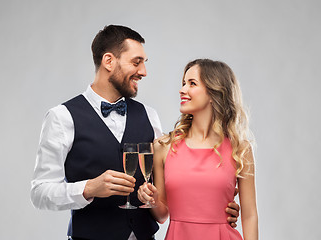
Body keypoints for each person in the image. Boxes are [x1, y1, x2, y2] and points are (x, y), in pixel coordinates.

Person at [30, 25, 240, 240]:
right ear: (109, 61)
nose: (143, 72)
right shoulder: (62, 117)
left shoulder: (149, 115)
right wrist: (89, 188)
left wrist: (217, 207)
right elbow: (39, 193)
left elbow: (170, 188)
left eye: (144, 63)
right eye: (136, 62)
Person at [138, 59, 258, 240]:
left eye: (192, 84)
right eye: (183, 83)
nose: (182, 89)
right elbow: (162, 215)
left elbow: (249, 216)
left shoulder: (240, 149)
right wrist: (152, 200)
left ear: (214, 91)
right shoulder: (163, 147)